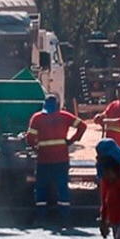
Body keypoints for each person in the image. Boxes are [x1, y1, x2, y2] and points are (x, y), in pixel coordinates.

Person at [25, 94, 87, 225]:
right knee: (62, 188)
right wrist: (71, 141)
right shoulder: (65, 116)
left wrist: (36, 148)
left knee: (41, 188)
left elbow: (29, 138)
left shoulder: (37, 118)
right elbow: (82, 126)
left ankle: (41, 218)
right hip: (61, 159)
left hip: (44, 160)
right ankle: (64, 218)